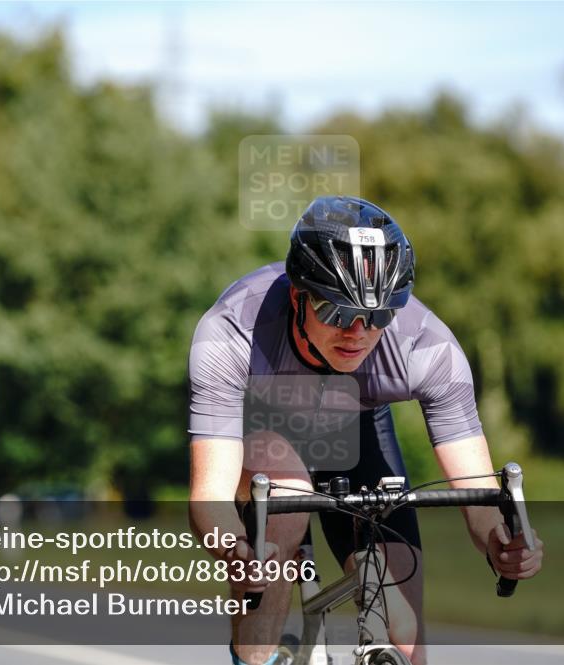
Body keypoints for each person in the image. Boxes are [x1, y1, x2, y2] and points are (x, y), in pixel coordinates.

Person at [188, 196, 543, 665]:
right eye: (337, 312)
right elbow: (209, 496)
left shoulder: (427, 348)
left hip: (355, 430)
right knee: (285, 502)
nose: (357, 331)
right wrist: (236, 550)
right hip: (263, 431)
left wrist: (500, 540)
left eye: (379, 315)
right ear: (298, 296)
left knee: (406, 637)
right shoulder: (232, 331)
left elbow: (476, 491)